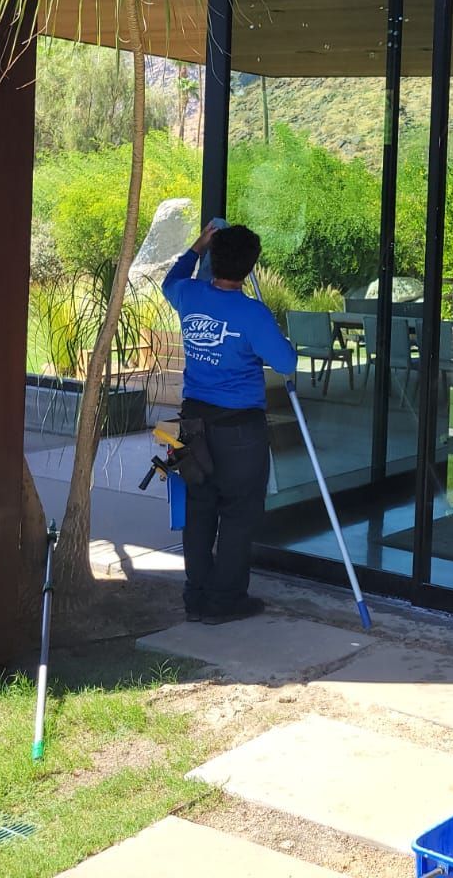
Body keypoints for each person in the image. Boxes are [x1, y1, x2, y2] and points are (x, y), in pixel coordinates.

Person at [162, 222, 297, 625]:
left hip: (192, 423)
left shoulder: (189, 294)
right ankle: (225, 601)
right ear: (251, 266)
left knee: (200, 509)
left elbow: (172, 278)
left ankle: (196, 597)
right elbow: (288, 365)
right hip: (239, 430)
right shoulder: (252, 314)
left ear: (212, 257)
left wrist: (198, 245)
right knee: (238, 514)